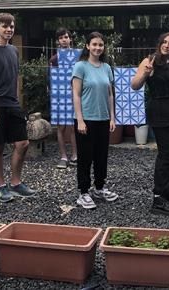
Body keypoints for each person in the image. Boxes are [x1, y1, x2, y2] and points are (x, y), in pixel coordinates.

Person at [0, 13, 36, 203]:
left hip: (13, 104)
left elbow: (14, 79)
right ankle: (1, 186)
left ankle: (15, 182)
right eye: (5, 26)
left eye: (11, 26)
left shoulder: (14, 50)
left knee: (23, 143)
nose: (9, 29)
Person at [131, 32, 169, 217]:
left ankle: (167, 190)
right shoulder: (150, 61)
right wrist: (145, 73)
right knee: (167, 153)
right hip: (160, 109)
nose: (167, 45)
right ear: (159, 44)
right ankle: (158, 198)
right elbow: (134, 85)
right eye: (164, 42)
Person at [72, 32, 118, 210]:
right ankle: (83, 192)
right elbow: (75, 94)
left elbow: (110, 94)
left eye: (101, 45)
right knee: (85, 157)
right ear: (87, 46)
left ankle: (99, 188)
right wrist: (80, 119)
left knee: (101, 156)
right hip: (86, 119)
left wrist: (112, 117)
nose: (98, 48)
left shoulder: (106, 67)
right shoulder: (80, 66)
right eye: (94, 44)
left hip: (103, 118)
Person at [49, 27, 77, 169]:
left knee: (73, 126)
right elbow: (52, 80)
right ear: (58, 41)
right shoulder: (54, 59)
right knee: (61, 126)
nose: (64, 40)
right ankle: (63, 156)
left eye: (66, 37)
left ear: (70, 39)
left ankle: (75, 155)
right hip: (59, 95)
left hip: (75, 94)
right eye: (61, 38)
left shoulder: (78, 57)